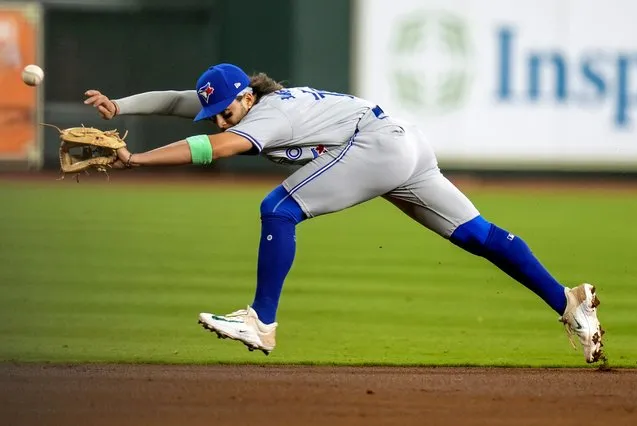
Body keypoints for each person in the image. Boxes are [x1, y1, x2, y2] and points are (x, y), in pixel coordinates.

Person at [84, 63, 604, 363]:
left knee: (278, 207)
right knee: (477, 235)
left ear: (246, 96)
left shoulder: (272, 111)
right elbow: (179, 100)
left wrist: (138, 159)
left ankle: (260, 321)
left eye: (224, 110)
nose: (218, 118)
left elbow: (217, 149)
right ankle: (570, 301)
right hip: (404, 143)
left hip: (380, 146)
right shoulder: (252, 101)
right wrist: (120, 107)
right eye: (213, 111)